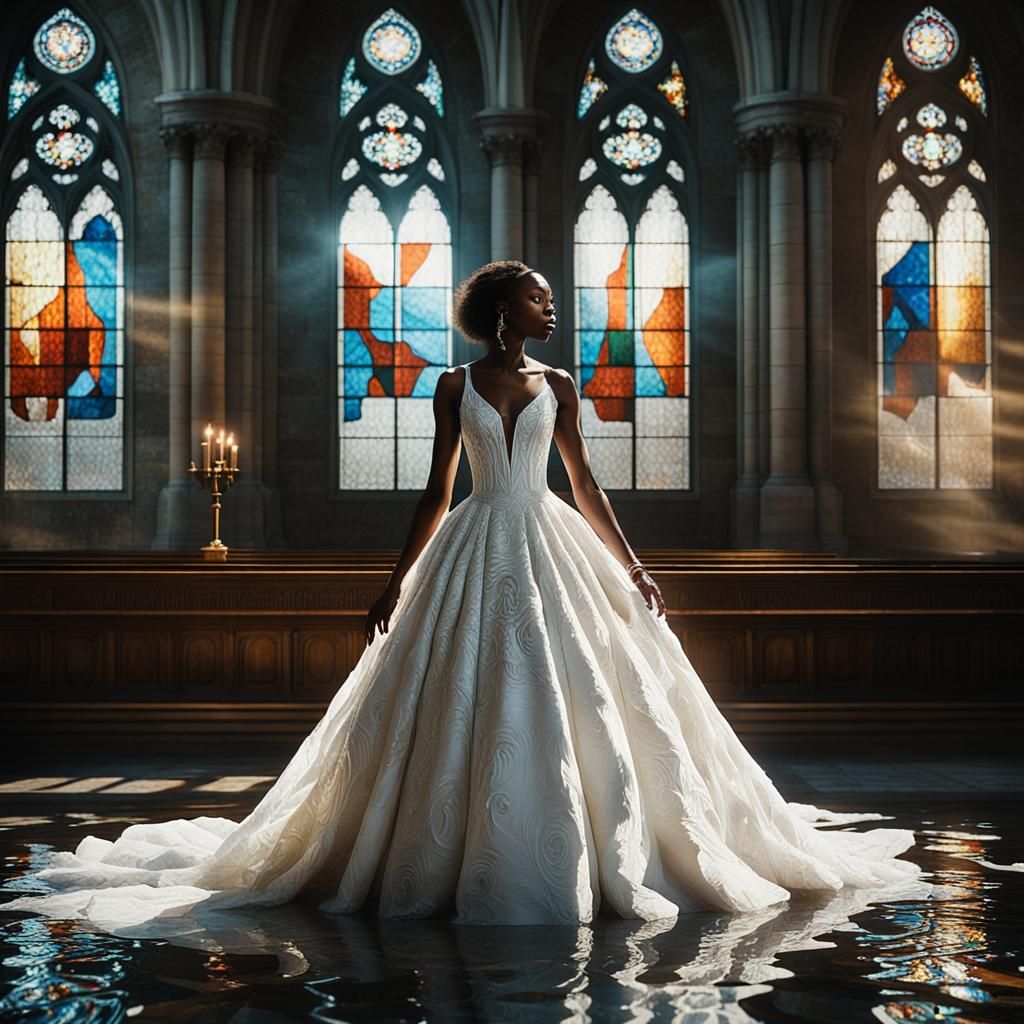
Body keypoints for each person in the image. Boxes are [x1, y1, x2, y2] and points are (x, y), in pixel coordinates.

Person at [3, 260, 921, 929]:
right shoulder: (454, 384)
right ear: (499, 309)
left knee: (595, 694)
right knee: (462, 693)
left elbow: (586, 487)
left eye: (550, 294)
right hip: (476, 541)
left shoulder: (559, 382)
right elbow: (436, 491)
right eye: (537, 294)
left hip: (553, 542)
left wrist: (634, 566)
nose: (551, 301)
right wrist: (395, 581)